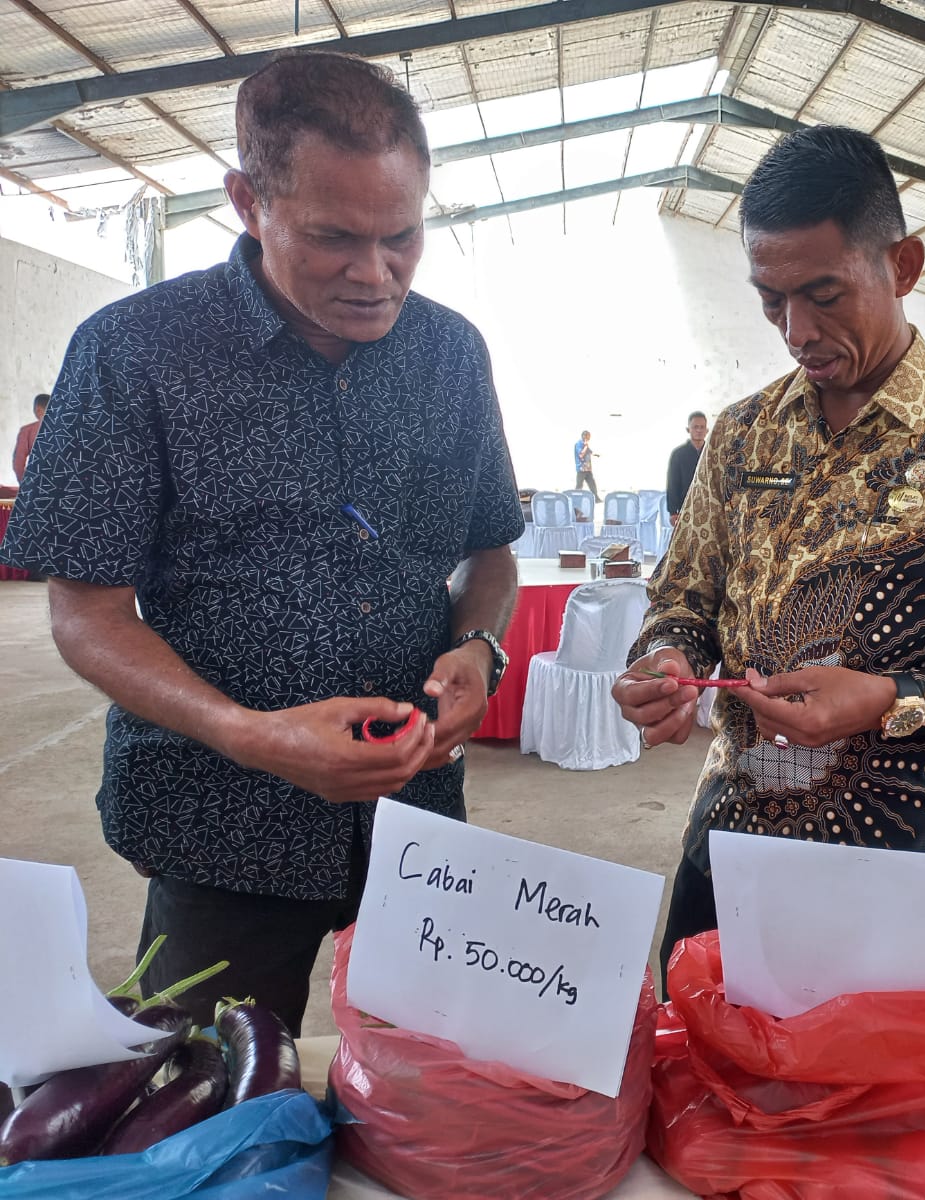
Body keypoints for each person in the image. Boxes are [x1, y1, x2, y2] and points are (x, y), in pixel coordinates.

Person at [0, 51, 523, 1035]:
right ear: (248, 200)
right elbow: (84, 612)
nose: (376, 276)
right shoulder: (134, 351)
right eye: (334, 238)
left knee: (424, 1108)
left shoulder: (450, 353)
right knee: (209, 1118)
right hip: (217, 826)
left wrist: (478, 647)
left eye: (402, 236)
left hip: (416, 817)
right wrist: (248, 732)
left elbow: (491, 553)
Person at [610, 126, 925, 978]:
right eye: (770, 300)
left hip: (898, 841)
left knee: (874, 1089)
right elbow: (681, 597)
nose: (797, 330)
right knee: (703, 1067)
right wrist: (665, 656)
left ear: (903, 266)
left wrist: (889, 698)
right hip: (732, 832)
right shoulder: (742, 434)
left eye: (826, 294)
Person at [665, 411, 708, 525]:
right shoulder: (678, 454)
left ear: (707, 430)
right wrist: (673, 512)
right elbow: (672, 483)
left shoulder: (712, 454)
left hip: (708, 509)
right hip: (685, 508)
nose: (699, 430)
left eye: (702, 427)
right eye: (695, 427)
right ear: (688, 429)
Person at [11, 393, 47, 483]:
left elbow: (18, 462)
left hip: (38, 483)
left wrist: (24, 484)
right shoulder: (67, 430)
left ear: (38, 410)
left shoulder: (27, 431)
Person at [574, 430, 598, 494]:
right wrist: (586, 446)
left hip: (587, 468)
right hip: (581, 468)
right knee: (579, 486)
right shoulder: (579, 444)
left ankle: (596, 498)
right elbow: (581, 455)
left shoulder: (585, 444)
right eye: (588, 436)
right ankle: (576, 498)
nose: (589, 438)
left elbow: (590, 451)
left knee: (592, 484)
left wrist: (596, 454)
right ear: (584, 436)